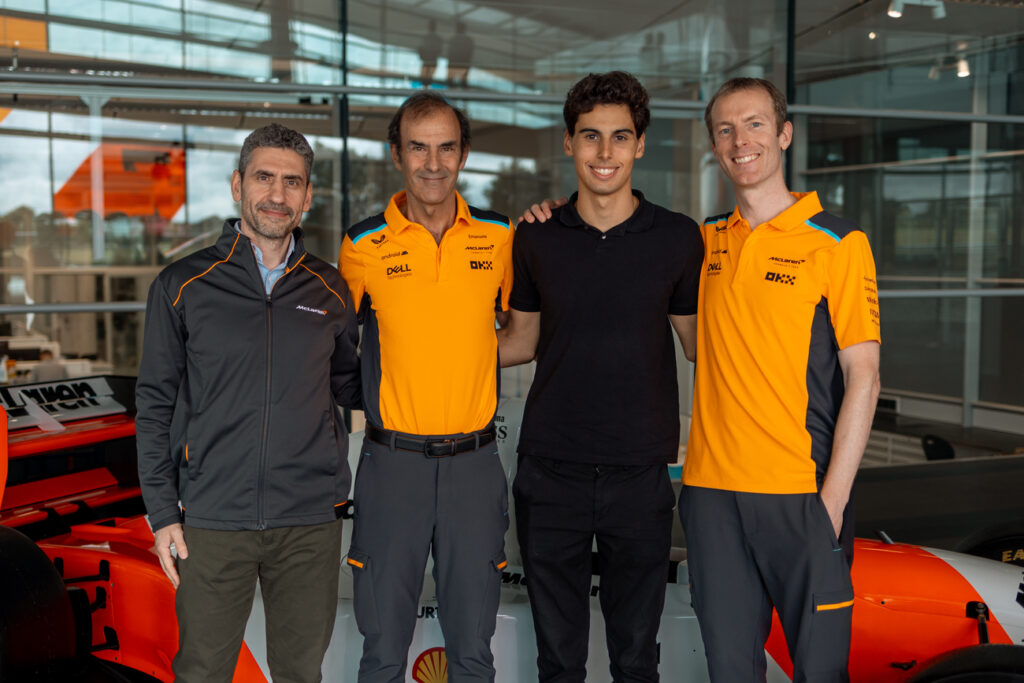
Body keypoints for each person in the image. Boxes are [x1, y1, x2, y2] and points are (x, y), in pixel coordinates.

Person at [135, 123, 361, 683]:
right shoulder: (184, 284)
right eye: (264, 177)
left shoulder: (330, 289)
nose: (277, 195)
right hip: (212, 519)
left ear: (308, 197)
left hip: (309, 521)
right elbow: (155, 402)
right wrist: (163, 513)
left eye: (292, 182)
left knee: (299, 672)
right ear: (238, 185)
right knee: (202, 671)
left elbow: (352, 386)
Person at [499, 71, 702, 683]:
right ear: (569, 143)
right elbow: (521, 342)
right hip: (549, 470)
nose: (605, 153)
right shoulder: (534, 234)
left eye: (620, 137)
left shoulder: (676, 238)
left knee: (636, 659)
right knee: (558, 662)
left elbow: (700, 346)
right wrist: (426, 348)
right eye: (591, 137)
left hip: (640, 473)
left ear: (640, 145)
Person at [680, 77, 881, 682]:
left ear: (785, 133)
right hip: (711, 496)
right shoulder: (703, 240)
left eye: (755, 124)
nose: (740, 140)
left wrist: (833, 503)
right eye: (725, 129)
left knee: (819, 673)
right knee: (730, 672)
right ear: (715, 144)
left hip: (801, 495)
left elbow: (864, 376)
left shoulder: (838, 243)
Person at [338, 92, 513, 683]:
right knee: (382, 652)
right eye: (418, 147)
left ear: (463, 154)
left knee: (473, 652)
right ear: (397, 154)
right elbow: (338, 352)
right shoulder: (361, 247)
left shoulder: (500, 237)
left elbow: (522, 331)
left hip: (475, 464)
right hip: (393, 468)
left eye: (445, 147)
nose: (432, 163)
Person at [447, 21, 474, 88]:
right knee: (460, 83)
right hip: (460, 64)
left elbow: (450, 52)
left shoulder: (453, 39)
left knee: (457, 83)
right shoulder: (467, 40)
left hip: (458, 64)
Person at [417, 19, 442, 86]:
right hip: (428, 61)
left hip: (430, 61)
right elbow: (420, 48)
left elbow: (420, 48)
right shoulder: (427, 37)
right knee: (426, 78)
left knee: (427, 78)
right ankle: (425, 86)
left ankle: (426, 87)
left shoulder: (435, 38)